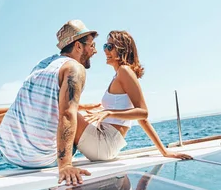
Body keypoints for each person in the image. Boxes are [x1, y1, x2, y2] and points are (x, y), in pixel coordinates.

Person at [0, 19, 99, 186]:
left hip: (7, 150)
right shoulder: (74, 68)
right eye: (91, 45)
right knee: (76, 118)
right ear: (78, 46)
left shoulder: (43, 64)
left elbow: (40, 104)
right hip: (38, 159)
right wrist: (65, 165)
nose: (94, 51)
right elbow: (67, 114)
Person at [77, 30, 192, 162]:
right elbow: (142, 120)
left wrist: (108, 112)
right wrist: (163, 151)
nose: (105, 51)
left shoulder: (124, 71)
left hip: (105, 144)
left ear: (122, 50)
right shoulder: (119, 75)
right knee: (68, 110)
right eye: (105, 46)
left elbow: (143, 113)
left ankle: (59, 161)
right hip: (104, 143)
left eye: (110, 47)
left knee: (64, 111)